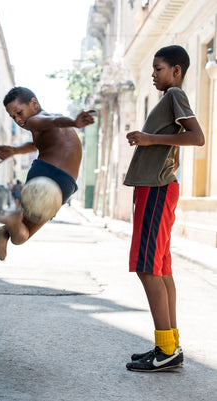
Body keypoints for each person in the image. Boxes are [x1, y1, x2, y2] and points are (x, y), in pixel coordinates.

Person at [123, 45, 205, 372]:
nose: (153, 74)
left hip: (157, 190)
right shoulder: (167, 99)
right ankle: (168, 346)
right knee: (160, 267)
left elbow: (197, 137)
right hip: (156, 188)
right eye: (153, 69)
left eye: (158, 68)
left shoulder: (174, 95)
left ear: (176, 71)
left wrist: (148, 139)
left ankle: (166, 349)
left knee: (148, 267)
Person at [0, 86, 95, 261]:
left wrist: (74, 122)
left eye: (19, 112)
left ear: (34, 103)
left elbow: (53, 120)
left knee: (21, 234)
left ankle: (10, 224)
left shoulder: (36, 121)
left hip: (45, 176)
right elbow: (39, 140)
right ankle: (9, 225)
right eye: (13, 117)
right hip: (63, 184)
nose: (18, 119)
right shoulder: (44, 124)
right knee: (23, 235)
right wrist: (15, 150)